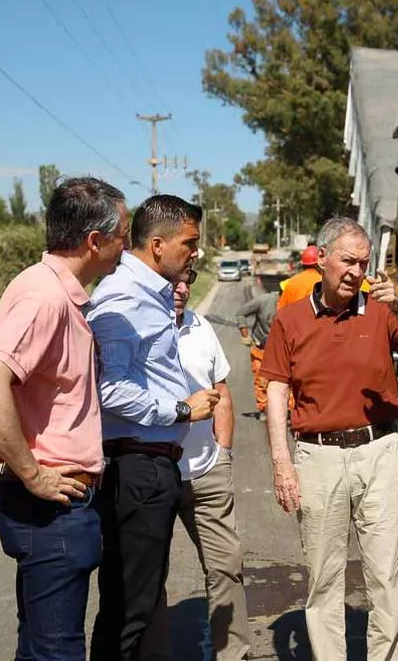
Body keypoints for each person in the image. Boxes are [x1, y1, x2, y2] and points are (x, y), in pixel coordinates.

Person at [0, 176, 129, 660]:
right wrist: (33, 474)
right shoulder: (46, 297)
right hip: (53, 509)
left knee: (39, 647)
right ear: (94, 241)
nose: (125, 246)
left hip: (57, 508)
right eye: (121, 235)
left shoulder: (57, 291)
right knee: (57, 651)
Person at [260, 217, 398, 661]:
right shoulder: (290, 319)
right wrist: (282, 464)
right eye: (347, 261)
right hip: (317, 458)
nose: (356, 272)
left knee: (387, 578)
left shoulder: (381, 309)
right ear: (322, 259)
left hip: (381, 452)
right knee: (324, 580)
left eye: (363, 263)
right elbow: (277, 390)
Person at [88, 194, 220, 661]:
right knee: (132, 608)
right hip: (138, 465)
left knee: (133, 600)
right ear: (158, 244)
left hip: (148, 463)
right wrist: (181, 410)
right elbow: (112, 390)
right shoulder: (125, 298)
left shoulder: (148, 294)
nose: (195, 252)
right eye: (190, 242)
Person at [173, 273, 250, 661]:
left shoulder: (201, 327)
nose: (182, 288)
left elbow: (222, 393)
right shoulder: (125, 325)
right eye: (174, 279)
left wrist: (223, 454)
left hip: (206, 471)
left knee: (226, 567)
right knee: (144, 580)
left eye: (188, 279)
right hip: (150, 474)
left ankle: (231, 653)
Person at [236, 286, 279, 418]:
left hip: (282, 349)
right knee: (261, 379)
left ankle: (287, 411)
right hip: (261, 346)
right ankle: (263, 409)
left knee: (286, 381)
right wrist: (245, 335)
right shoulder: (264, 301)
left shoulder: (295, 304)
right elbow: (241, 313)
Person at [277, 244, 320, 310]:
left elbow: (280, 311)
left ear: (302, 264)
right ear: (319, 264)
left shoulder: (291, 282)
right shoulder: (322, 282)